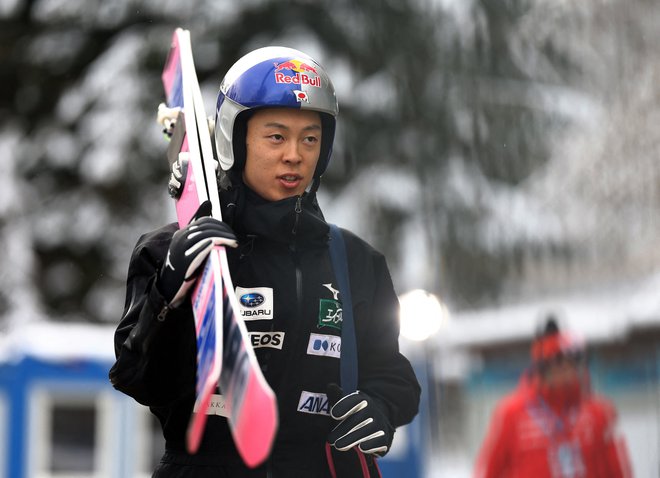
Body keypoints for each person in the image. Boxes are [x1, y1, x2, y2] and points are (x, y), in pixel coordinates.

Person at [109, 46, 421, 478]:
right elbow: (136, 378)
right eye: (276, 136)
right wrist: (168, 290)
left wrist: (380, 408)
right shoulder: (168, 251)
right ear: (235, 139)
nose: (294, 154)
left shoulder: (356, 262)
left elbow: (393, 373)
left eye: (310, 138)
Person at [474, 316, 632, 478]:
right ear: (541, 369)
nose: (564, 370)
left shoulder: (598, 412)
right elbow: (489, 470)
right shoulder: (511, 413)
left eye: (570, 362)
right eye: (556, 363)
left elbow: (616, 469)